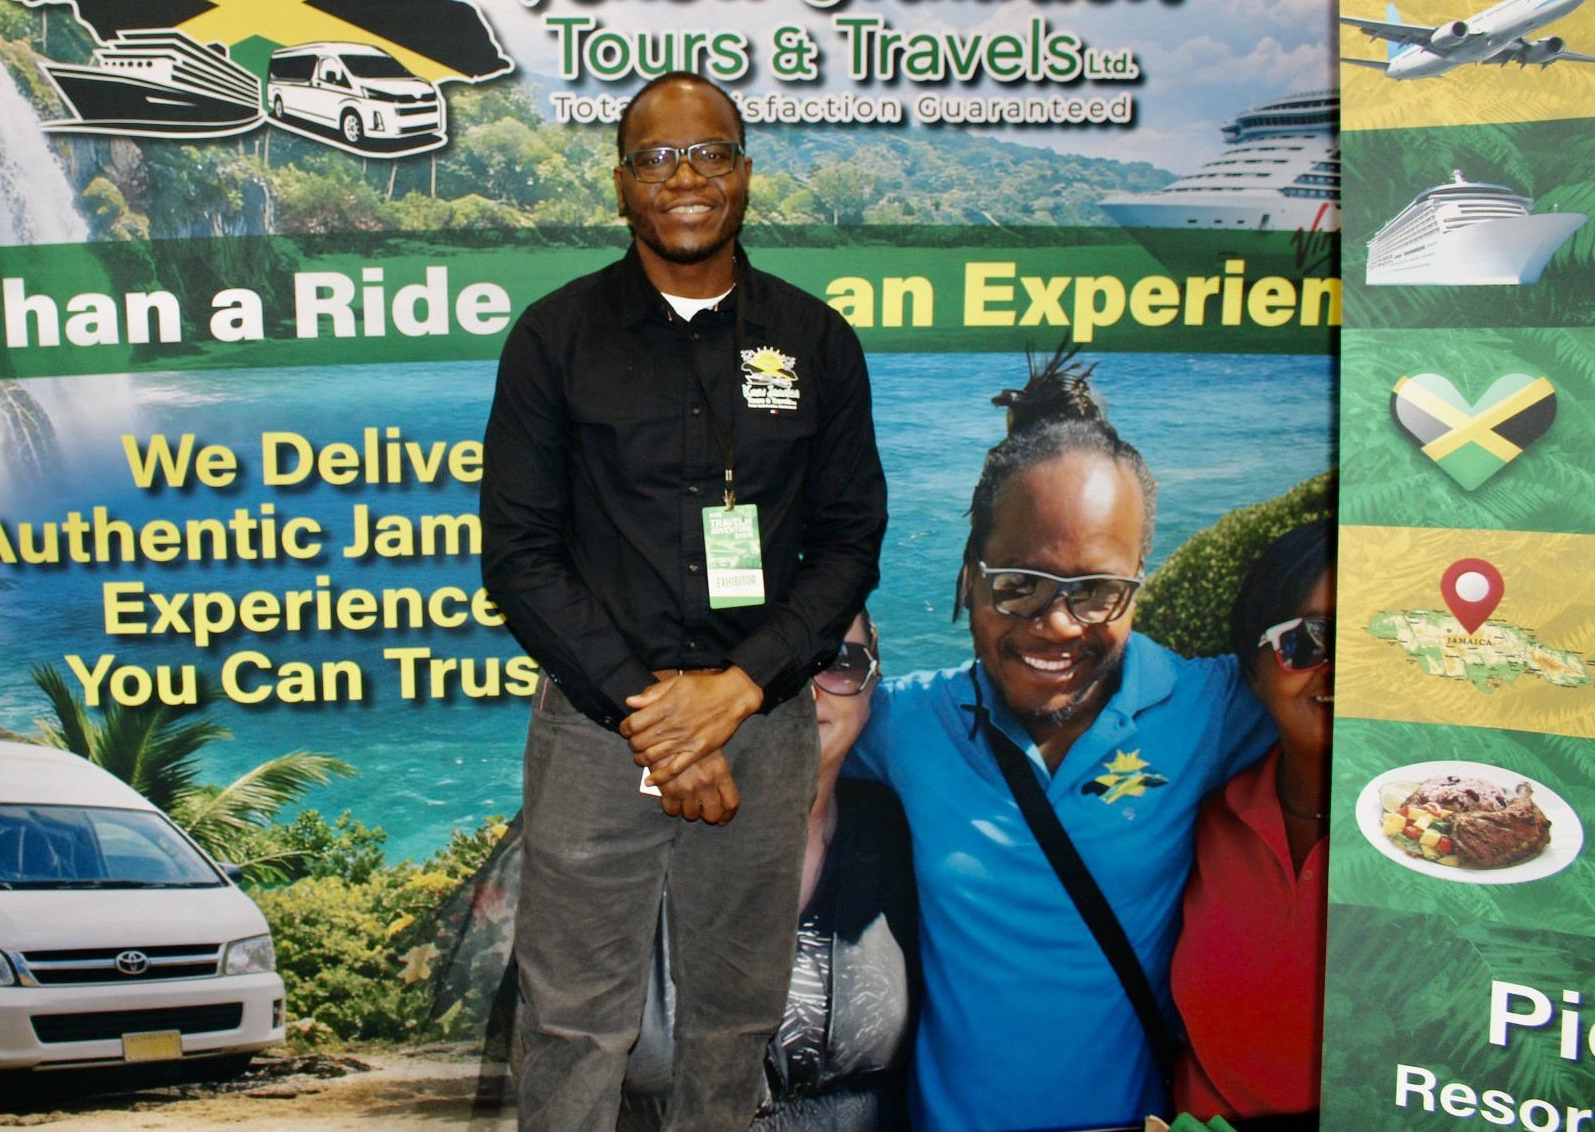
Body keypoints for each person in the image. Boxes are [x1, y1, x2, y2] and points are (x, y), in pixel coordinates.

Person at [481, 71, 887, 1132]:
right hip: (593, 734)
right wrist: (656, 713)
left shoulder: (813, 341)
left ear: (743, 175)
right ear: (621, 187)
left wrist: (737, 690)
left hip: (761, 728)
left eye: (708, 152)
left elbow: (848, 543)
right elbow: (518, 556)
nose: (685, 178)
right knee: (574, 1028)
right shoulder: (553, 337)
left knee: (733, 1021)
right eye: (656, 159)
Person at [847, 349, 1273, 1132]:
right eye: (1018, 585)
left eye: (1099, 592)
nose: (1056, 623)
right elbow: (776, 721)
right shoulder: (909, 726)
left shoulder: (1205, 708)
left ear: (1140, 579)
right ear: (971, 577)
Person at [618, 611, 915, 1132]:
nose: (799, 694)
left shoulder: (896, 837)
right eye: (746, 666)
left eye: (837, 663)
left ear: (873, 685)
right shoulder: (611, 848)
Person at [1170, 519, 1334, 1125]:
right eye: (1309, 639)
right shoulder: (1211, 823)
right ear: (1252, 665)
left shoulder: (1458, 843)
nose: (1340, 669)